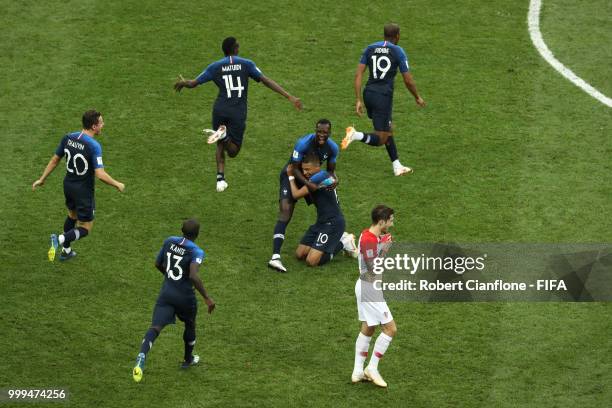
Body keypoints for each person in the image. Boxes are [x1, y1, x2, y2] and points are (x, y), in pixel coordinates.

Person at [174, 36, 303, 192]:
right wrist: (289, 96)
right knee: (233, 151)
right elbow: (265, 80)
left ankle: (220, 178)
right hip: (237, 112)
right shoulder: (246, 64)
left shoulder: (215, 67)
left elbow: (193, 83)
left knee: (220, 145)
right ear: (235, 49)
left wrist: (183, 82)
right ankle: (224, 137)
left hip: (220, 109)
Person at [32, 110, 125, 261]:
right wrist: (117, 184)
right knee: (86, 228)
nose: (103, 125)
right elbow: (100, 174)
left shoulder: (68, 138)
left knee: (72, 216)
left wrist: (42, 179)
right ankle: (60, 240)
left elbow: (55, 160)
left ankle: (66, 251)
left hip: (68, 185)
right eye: (101, 123)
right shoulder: (94, 146)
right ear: (94, 126)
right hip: (83, 191)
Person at [132, 219, 216, 383]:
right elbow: (193, 275)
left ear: (181, 230)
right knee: (190, 324)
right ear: (197, 235)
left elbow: (157, 263)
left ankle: (142, 354)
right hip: (184, 296)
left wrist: (169, 277)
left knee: (155, 327)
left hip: (167, 293)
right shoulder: (196, 251)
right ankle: (188, 359)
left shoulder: (169, 241)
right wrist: (207, 297)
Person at [342, 23, 426, 176]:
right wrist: (417, 97)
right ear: (398, 36)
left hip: (369, 93)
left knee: (388, 128)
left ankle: (397, 166)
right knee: (381, 138)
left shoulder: (370, 48)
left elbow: (358, 74)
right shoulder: (398, 51)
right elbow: (408, 80)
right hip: (383, 97)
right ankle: (355, 135)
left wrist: (358, 99)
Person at [268, 119, 339, 273]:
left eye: (324, 133)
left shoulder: (333, 148)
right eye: (319, 131)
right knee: (285, 212)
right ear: (315, 130)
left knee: (326, 205)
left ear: (329, 133)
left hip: (311, 178)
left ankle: (336, 236)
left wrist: (335, 179)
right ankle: (275, 257)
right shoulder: (303, 144)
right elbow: (293, 168)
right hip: (293, 176)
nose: (321, 135)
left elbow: (331, 171)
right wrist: (309, 184)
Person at [351, 205, 396, 388]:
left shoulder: (368, 235)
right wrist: (385, 249)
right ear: (381, 221)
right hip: (370, 288)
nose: (392, 224)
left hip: (365, 286)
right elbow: (372, 269)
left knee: (369, 327)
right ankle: (372, 368)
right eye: (390, 221)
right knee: (390, 329)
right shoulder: (369, 240)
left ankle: (357, 371)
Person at [286, 152, 357, 267]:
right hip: (321, 222)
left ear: (317, 166)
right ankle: (329, 243)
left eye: (308, 169)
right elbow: (333, 179)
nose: (305, 173)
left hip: (333, 223)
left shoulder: (319, 177)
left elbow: (296, 194)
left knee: (311, 261)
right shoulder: (323, 175)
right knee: (300, 254)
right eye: (303, 170)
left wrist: (290, 176)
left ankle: (344, 242)